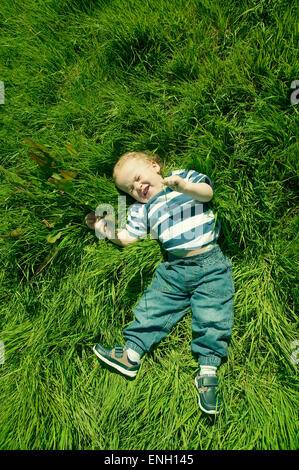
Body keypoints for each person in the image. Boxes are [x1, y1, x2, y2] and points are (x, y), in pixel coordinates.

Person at [85, 151, 235, 415]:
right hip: (174, 269)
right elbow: (128, 237)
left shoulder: (183, 178)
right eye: (130, 188)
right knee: (153, 306)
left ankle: (208, 372)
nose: (137, 187)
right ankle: (130, 355)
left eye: (138, 178)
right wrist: (102, 228)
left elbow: (207, 193)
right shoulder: (140, 209)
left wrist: (186, 186)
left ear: (155, 167)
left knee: (213, 314)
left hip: (211, 263)